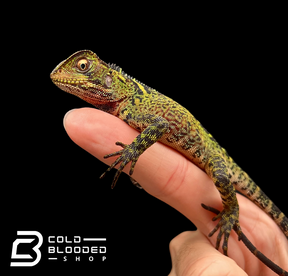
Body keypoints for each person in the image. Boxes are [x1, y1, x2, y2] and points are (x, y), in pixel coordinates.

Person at [64, 108, 288, 276]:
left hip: (213, 156)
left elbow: (160, 126)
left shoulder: (131, 106)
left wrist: (133, 150)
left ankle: (231, 210)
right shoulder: (126, 110)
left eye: (84, 67)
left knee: (219, 177)